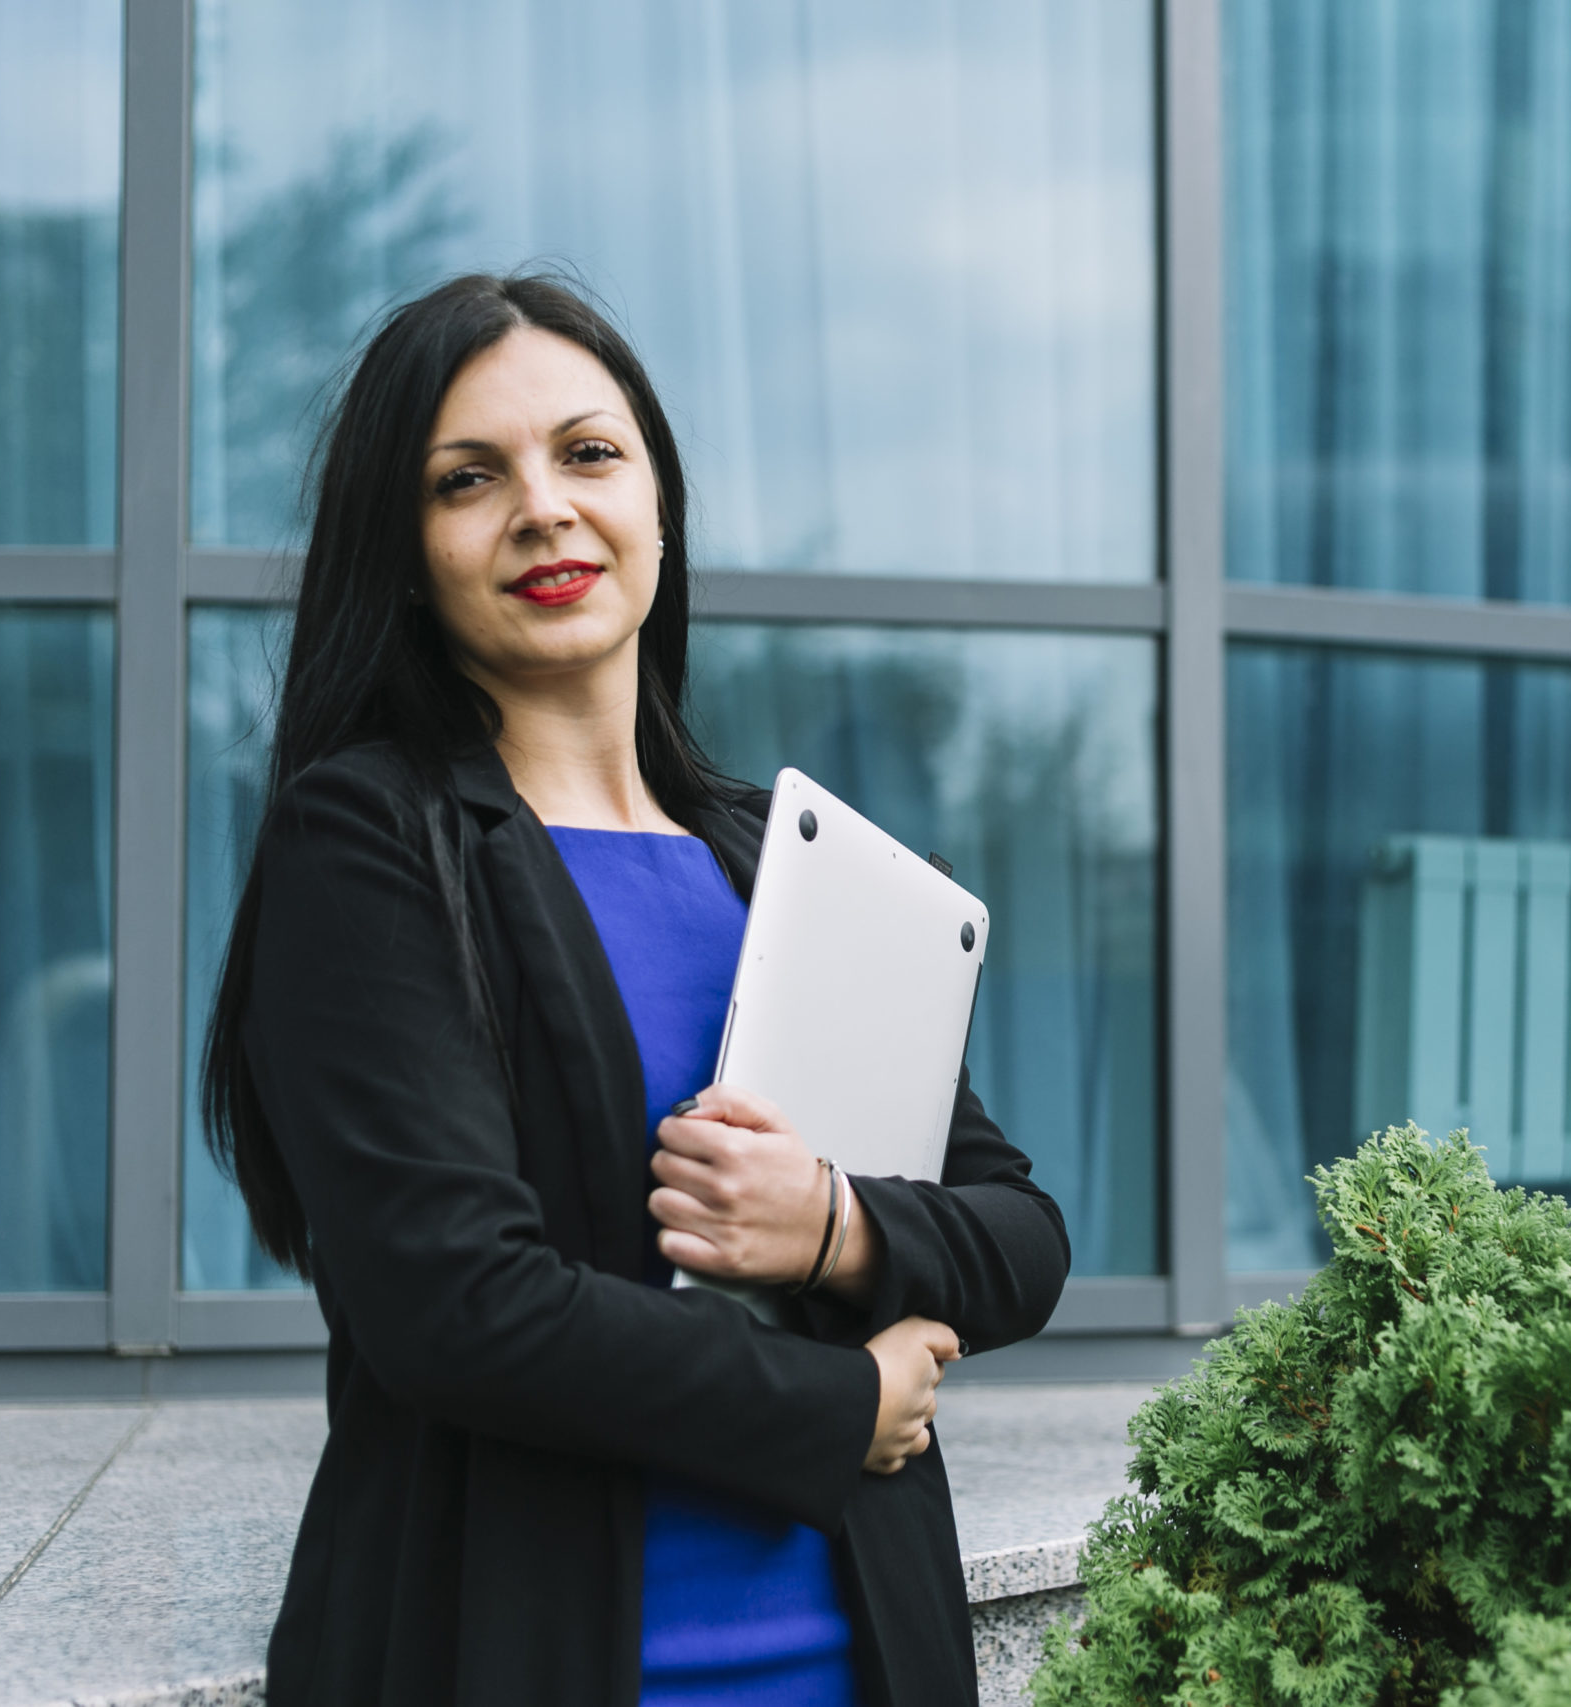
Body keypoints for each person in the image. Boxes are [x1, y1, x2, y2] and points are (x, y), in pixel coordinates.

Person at [199, 271, 1070, 1707]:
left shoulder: (784, 861)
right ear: (405, 551)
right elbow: (456, 1307)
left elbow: (1019, 1231)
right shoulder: (367, 841)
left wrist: (836, 1228)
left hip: (862, 1664)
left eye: (587, 454)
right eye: (467, 479)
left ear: (658, 506)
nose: (543, 507)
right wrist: (840, 1397)